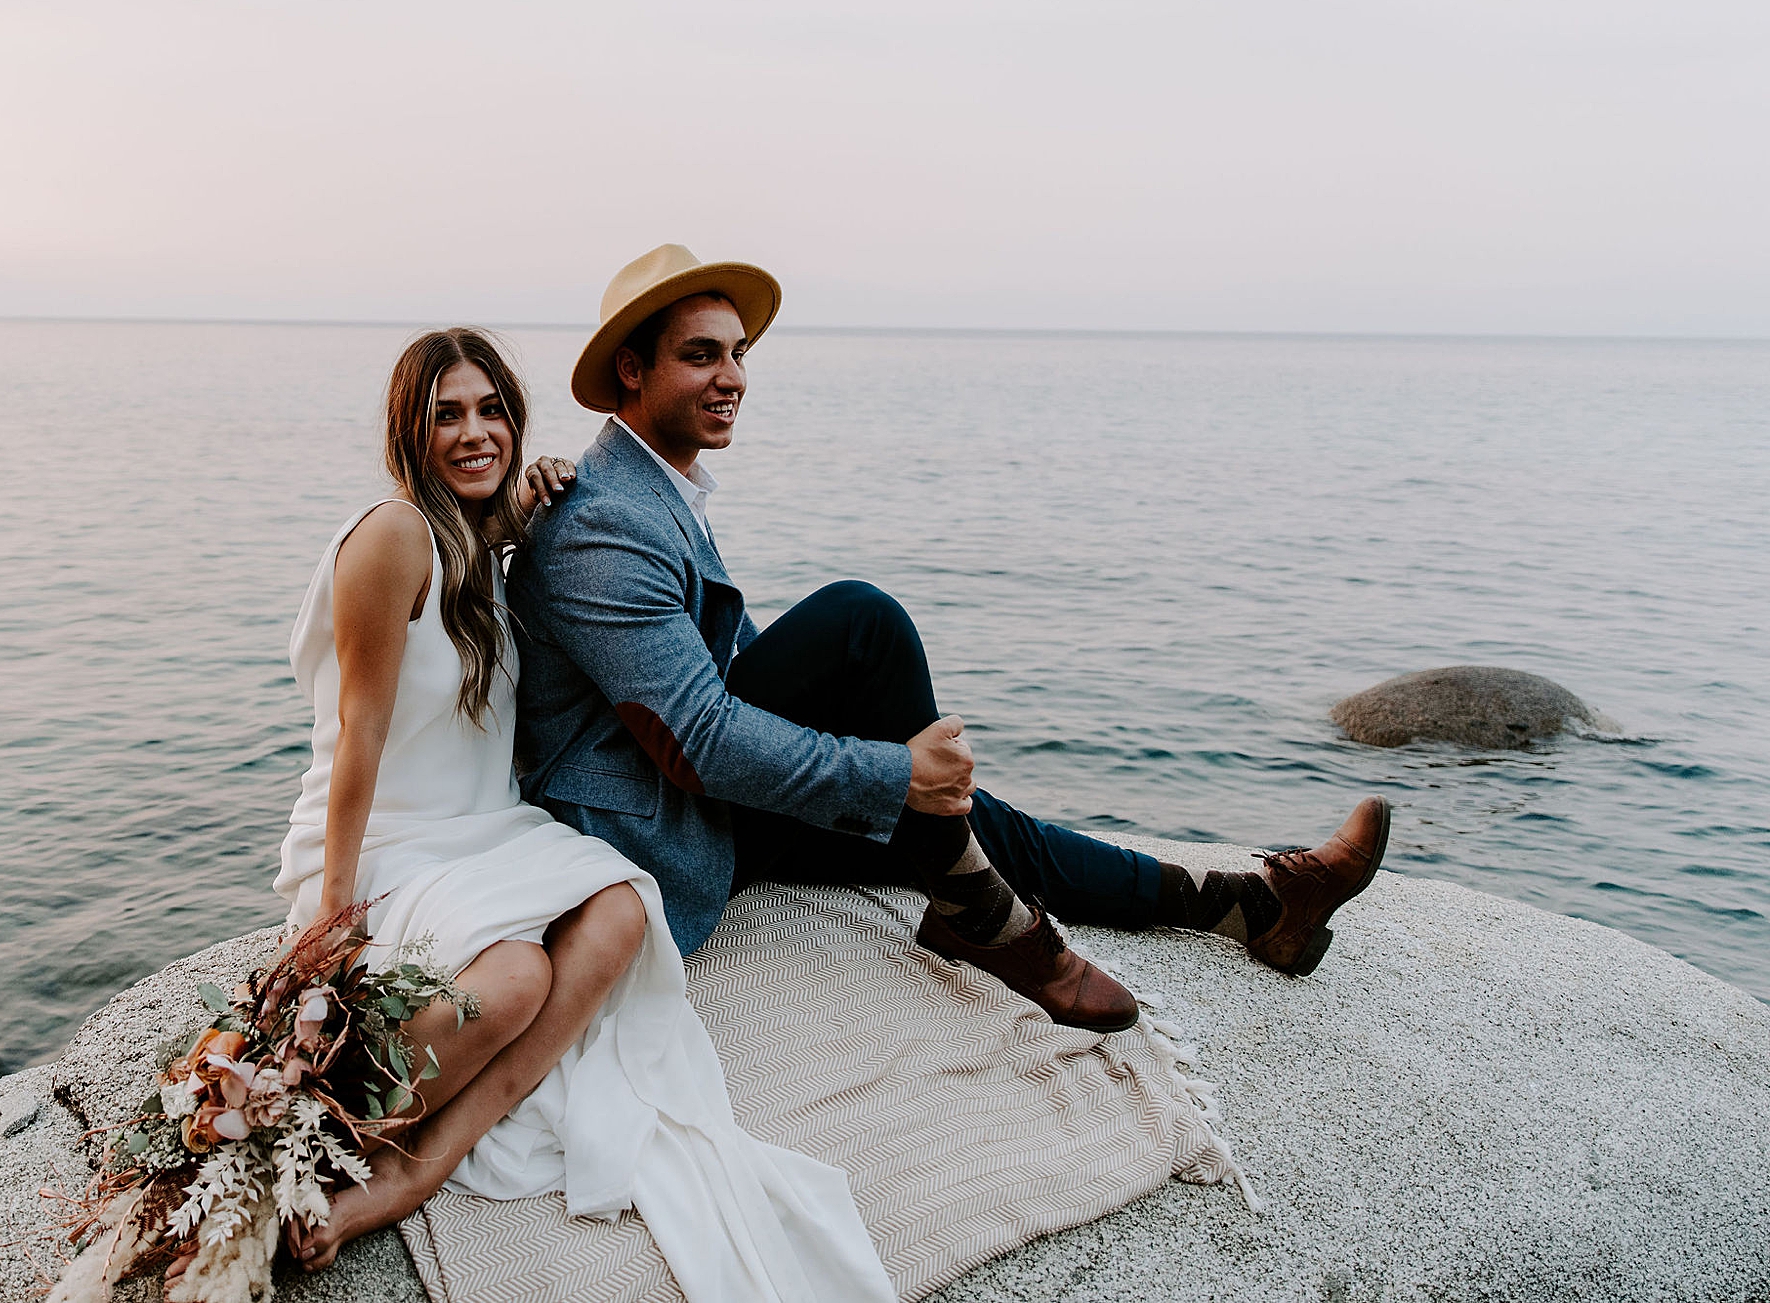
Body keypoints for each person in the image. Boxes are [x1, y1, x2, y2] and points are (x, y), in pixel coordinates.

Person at [508, 245, 1392, 1035]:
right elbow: (695, 742)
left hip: (690, 799)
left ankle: (1252, 904)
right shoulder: (602, 523)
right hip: (651, 833)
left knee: (968, 818)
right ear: (632, 368)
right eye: (701, 354)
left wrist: (882, 764)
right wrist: (890, 768)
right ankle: (981, 912)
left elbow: (730, 669)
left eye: (739, 352)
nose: (732, 374)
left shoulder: (660, 490)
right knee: (863, 624)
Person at [197, 327, 897, 1303]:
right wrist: (329, 914)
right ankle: (359, 1125)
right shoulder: (392, 537)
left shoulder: (490, 544)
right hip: (394, 843)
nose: (475, 431)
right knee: (519, 976)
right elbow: (356, 736)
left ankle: (426, 1156)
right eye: (448, 413)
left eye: (492, 409)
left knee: (620, 909)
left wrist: (532, 502)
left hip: (483, 831)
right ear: (411, 429)